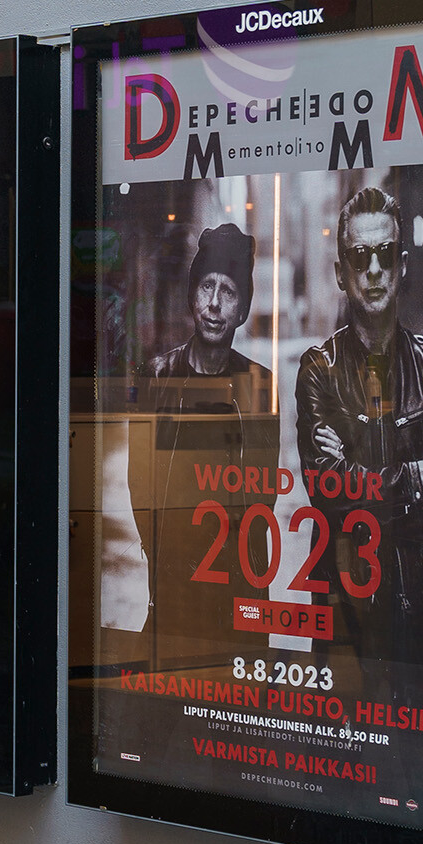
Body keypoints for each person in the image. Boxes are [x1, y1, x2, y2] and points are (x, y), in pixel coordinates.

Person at [295, 186, 423, 684]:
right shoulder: (319, 373)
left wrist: (360, 477)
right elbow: (329, 496)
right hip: (346, 625)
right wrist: (422, 474)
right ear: (340, 272)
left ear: (401, 265)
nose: (372, 270)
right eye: (359, 256)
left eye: (383, 255)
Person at [126, 223, 276, 663]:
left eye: (228, 292)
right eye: (206, 286)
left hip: (236, 581)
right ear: (192, 295)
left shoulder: (258, 386)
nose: (214, 303)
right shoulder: (155, 376)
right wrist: (165, 563)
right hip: (174, 578)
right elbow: (140, 486)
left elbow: (262, 495)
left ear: (244, 309)